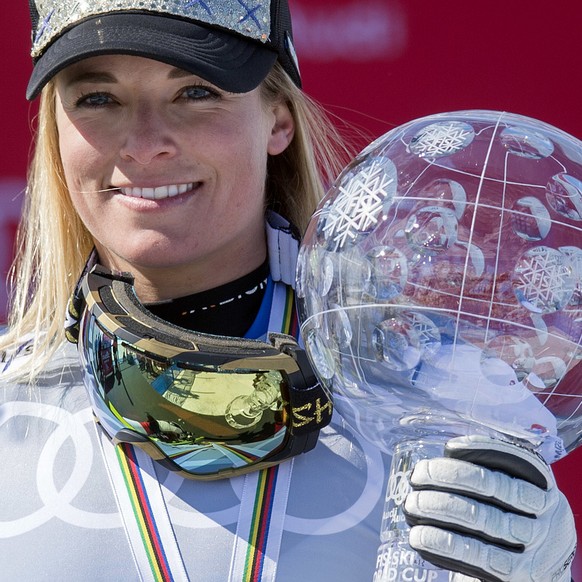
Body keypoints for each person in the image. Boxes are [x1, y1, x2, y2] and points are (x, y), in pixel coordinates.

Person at [0, 1, 576, 580]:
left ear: (277, 118)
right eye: (98, 98)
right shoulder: (13, 409)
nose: (146, 143)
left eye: (196, 92)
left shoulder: (434, 398)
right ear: (56, 129)